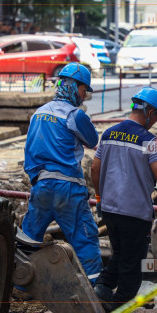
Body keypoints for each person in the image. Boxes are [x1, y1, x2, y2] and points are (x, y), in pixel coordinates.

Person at [91, 87, 157, 312]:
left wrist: (99, 196)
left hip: (110, 210)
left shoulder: (109, 133)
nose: (154, 122)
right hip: (134, 213)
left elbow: (95, 168)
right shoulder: (149, 140)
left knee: (121, 253)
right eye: (156, 117)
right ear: (150, 112)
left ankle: (102, 287)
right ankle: (118, 305)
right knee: (133, 265)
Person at [22, 62, 102, 286]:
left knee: (29, 238)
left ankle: (20, 285)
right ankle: (95, 289)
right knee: (84, 238)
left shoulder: (39, 113)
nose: (85, 96)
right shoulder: (75, 115)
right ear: (74, 86)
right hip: (67, 188)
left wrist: (36, 179)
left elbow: (30, 149)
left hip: (41, 186)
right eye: (84, 90)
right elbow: (93, 141)